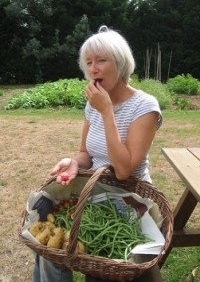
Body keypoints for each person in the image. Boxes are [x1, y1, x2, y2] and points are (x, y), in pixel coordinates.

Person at [32, 25, 163, 282]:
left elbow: (124, 170)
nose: (93, 69)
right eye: (89, 62)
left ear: (121, 63)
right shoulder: (93, 105)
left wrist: (107, 112)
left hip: (130, 199)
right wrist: (73, 162)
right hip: (94, 195)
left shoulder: (145, 107)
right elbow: (85, 153)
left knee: (103, 264)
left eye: (101, 60)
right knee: (50, 249)